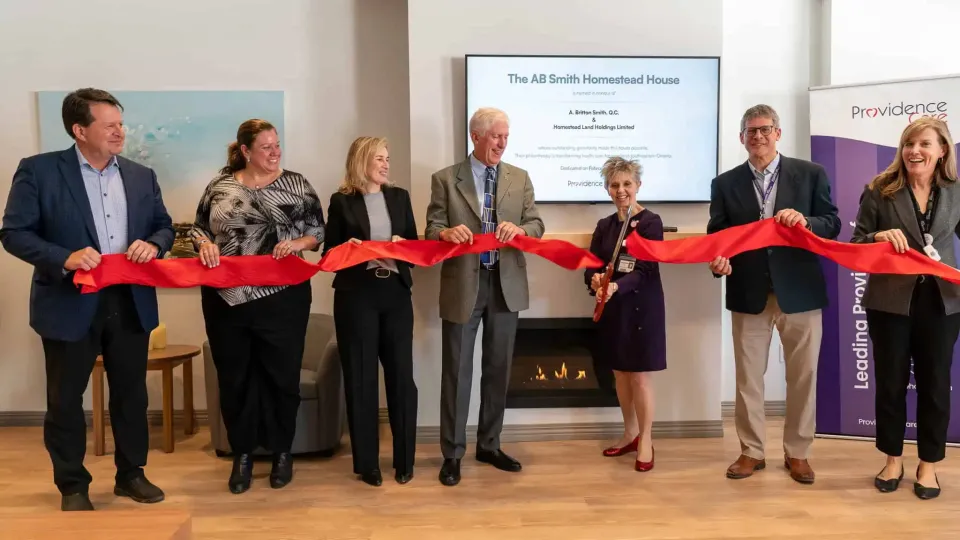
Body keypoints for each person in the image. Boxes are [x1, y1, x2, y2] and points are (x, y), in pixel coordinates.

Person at [0, 88, 174, 511]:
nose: (120, 131)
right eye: (109, 125)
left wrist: (154, 244)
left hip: (130, 301)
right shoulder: (38, 171)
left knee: (132, 394)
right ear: (79, 130)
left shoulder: (140, 175)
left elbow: (164, 227)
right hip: (67, 303)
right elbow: (14, 233)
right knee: (65, 400)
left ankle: (131, 475)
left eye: (120, 123)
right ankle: (72, 485)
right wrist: (65, 257)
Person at [189, 119, 324, 494]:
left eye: (277, 145)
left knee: (281, 377)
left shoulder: (297, 184)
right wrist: (204, 245)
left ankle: (283, 452)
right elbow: (197, 228)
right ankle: (242, 454)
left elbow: (318, 232)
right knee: (235, 378)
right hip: (225, 298)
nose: (275, 152)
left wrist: (299, 244)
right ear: (245, 151)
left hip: (282, 298)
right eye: (266, 147)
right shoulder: (220, 185)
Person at [707, 104, 840, 484]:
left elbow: (831, 224)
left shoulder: (810, 174)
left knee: (803, 376)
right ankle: (751, 451)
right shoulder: (725, 183)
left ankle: (798, 453)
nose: (758, 137)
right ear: (741, 138)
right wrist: (718, 261)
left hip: (800, 290)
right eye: (751, 131)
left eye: (765, 130)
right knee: (748, 378)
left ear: (778, 133)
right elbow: (719, 236)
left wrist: (806, 222)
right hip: (748, 292)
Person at [425, 107, 545, 486]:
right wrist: (444, 234)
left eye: (506, 136)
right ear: (476, 136)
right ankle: (452, 453)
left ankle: (490, 445)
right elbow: (431, 228)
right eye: (496, 136)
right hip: (464, 285)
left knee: (498, 369)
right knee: (457, 372)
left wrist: (520, 229)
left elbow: (537, 225)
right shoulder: (445, 179)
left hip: (506, 285)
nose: (502, 143)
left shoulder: (520, 178)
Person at [851, 117, 960, 500]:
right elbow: (856, 242)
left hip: (943, 304)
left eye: (925, 144)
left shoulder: (956, 192)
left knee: (934, 386)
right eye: (909, 143)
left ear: (942, 150)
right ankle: (892, 459)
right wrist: (879, 236)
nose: (915, 151)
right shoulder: (880, 190)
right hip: (890, 302)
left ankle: (928, 465)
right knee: (891, 383)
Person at [323, 136, 418, 487]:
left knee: (401, 379)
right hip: (356, 296)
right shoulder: (341, 201)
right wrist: (347, 249)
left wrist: (403, 246)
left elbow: (414, 245)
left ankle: (404, 461)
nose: (386, 164)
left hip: (395, 293)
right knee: (361, 380)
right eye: (379, 158)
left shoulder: (399, 197)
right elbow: (329, 256)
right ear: (362, 160)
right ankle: (368, 465)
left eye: (387, 158)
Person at [584, 156, 666, 472]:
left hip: (642, 309)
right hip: (613, 310)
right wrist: (594, 281)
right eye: (615, 185)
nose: (621, 190)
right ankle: (629, 432)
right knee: (620, 374)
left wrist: (616, 286)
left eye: (627, 184)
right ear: (608, 189)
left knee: (640, 377)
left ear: (638, 186)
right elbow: (592, 264)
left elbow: (646, 268)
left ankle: (646, 438)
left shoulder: (650, 222)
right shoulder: (604, 226)